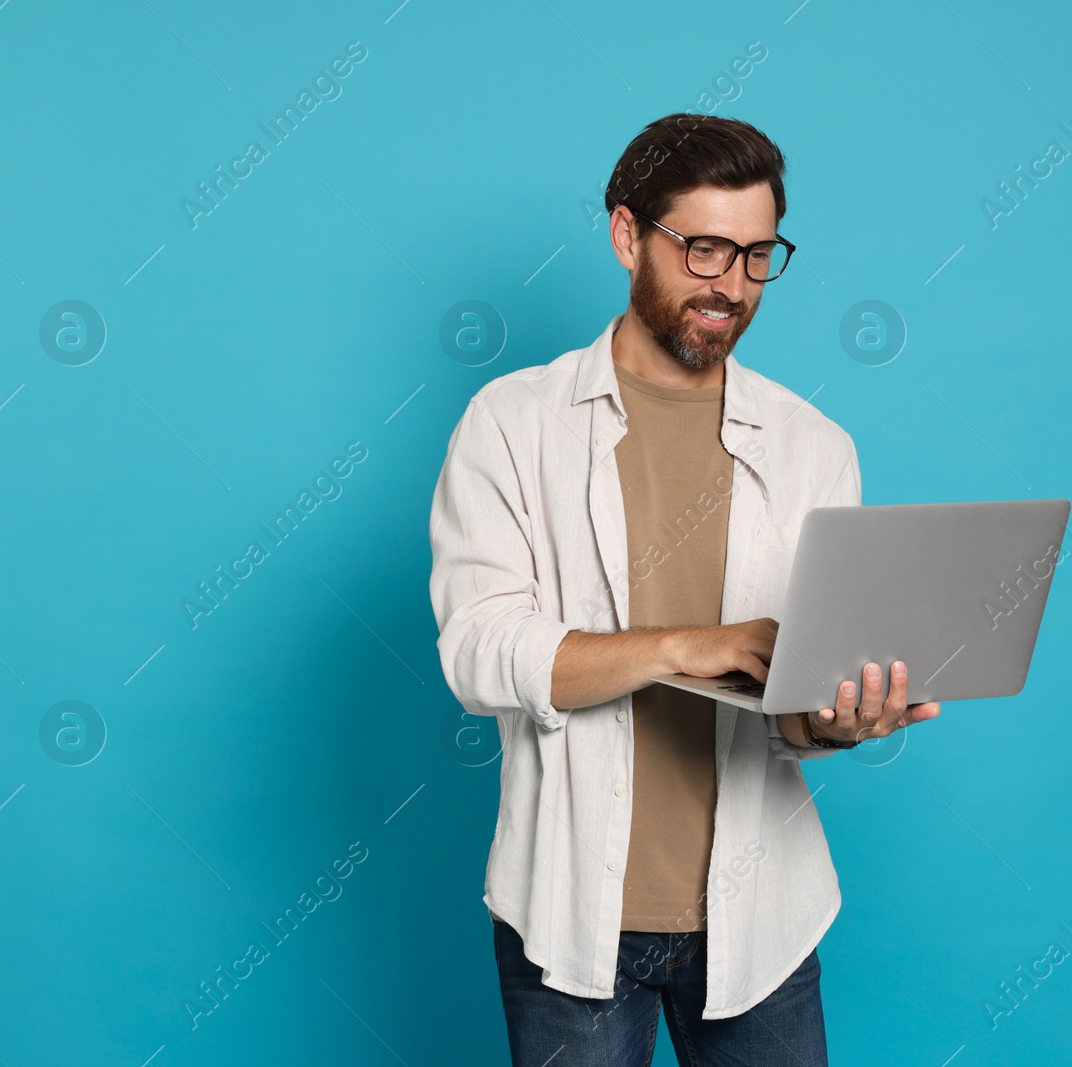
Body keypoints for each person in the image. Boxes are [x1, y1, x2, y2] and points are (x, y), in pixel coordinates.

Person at [428, 113, 941, 1066]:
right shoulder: (509, 425)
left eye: (757, 255)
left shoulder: (813, 448)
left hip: (764, 921)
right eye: (705, 248)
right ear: (628, 235)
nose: (732, 284)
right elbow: (478, 653)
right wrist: (677, 645)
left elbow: (788, 706)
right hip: (567, 913)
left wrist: (833, 718)